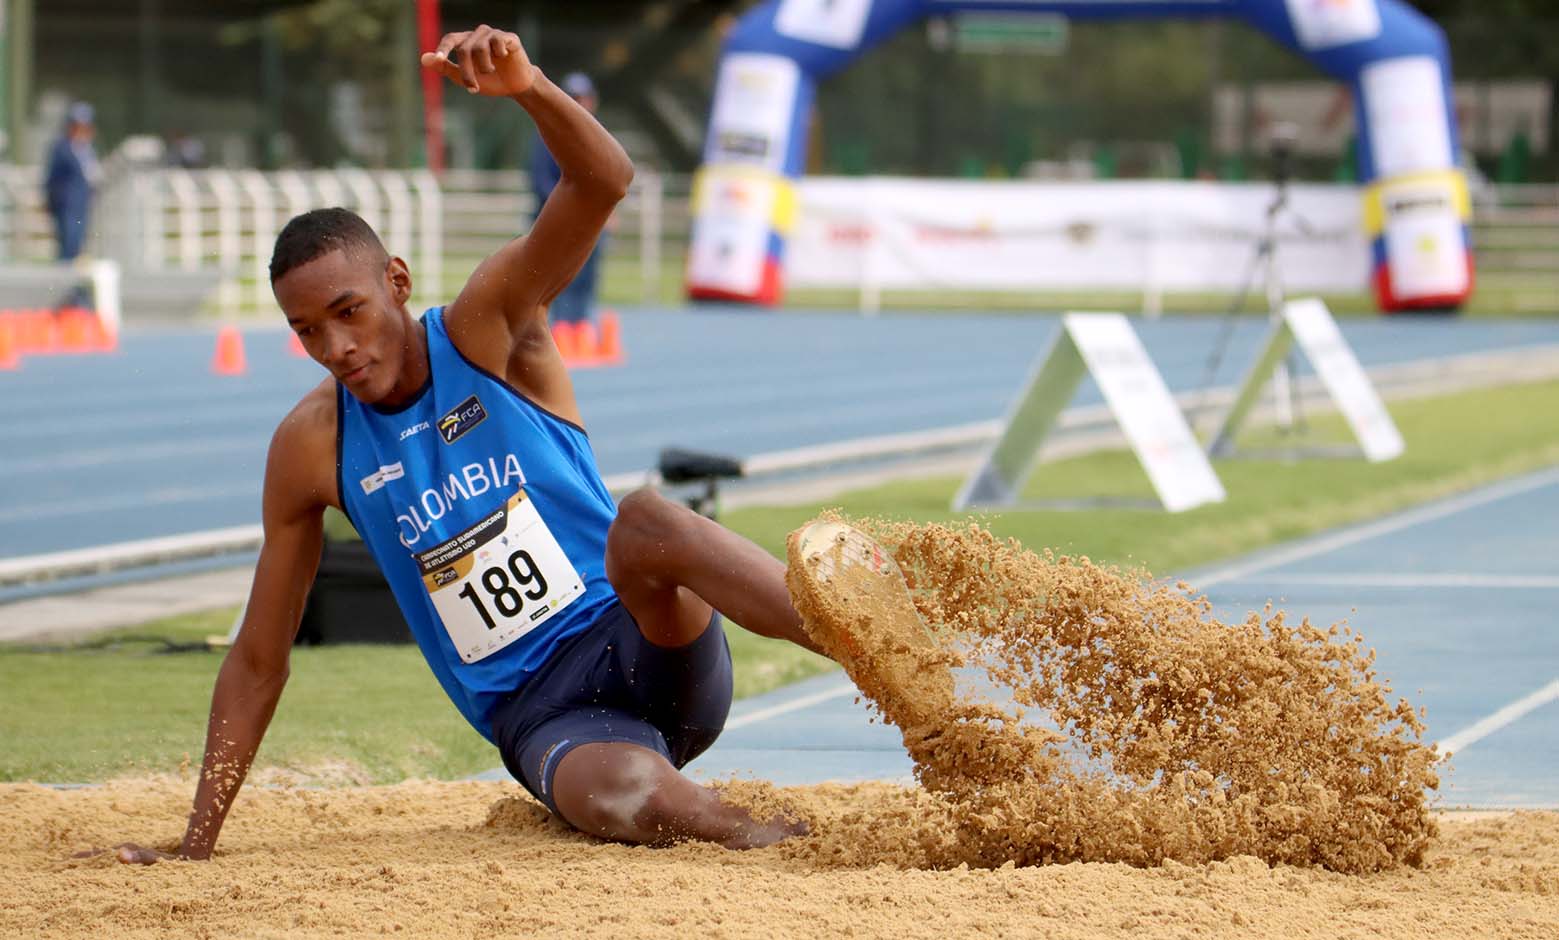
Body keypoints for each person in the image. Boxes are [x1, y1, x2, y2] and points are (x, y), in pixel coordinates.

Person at [108, 26, 821, 866]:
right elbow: (260, 657)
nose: (336, 346)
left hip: (644, 637)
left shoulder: (487, 327)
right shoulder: (310, 448)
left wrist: (530, 90)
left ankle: (893, 665)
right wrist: (196, 843)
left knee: (650, 518)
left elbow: (604, 182)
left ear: (396, 283)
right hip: (548, 719)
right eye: (306, 331)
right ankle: (772, 838)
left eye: (349, 312)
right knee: (632, 799)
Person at [528, 71, 606, 326]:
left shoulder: (598, 137)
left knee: (588, 275)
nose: (580, 103)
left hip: (591, 221)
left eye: (584, 98)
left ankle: (579, 326)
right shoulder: (548, 133)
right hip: (558, 221)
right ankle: (559, 329)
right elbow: (541, 181)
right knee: (557, 279)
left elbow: (608, 179)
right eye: (574, 98)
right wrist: (572, 205)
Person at [43, 102, 100, 265]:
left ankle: (74, 286)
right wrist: (50, 202)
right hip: (65, 206)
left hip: (82, 204)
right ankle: (64, 284)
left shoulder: (87, 149)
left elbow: (91, 175)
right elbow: (51, 178)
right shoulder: (61, 148)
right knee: (68, 243)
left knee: (78, 245)